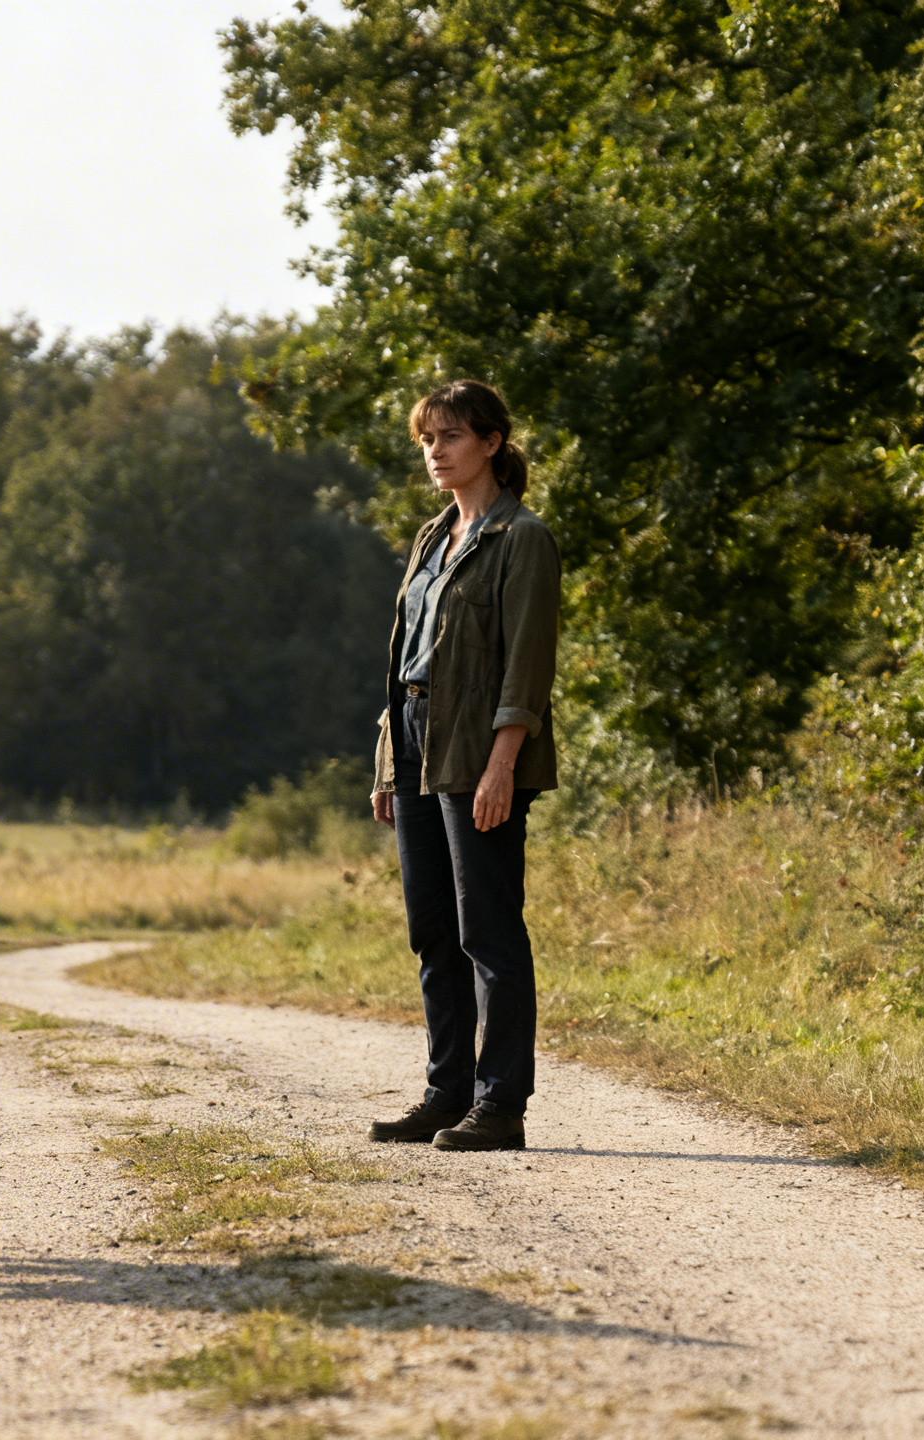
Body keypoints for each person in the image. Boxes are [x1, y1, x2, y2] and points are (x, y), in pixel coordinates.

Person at [364, 379, 559, 1152]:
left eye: (449, 437)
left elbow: (526, 666)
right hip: (416, 738)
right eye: (427, 439)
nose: (434, 452)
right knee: (433, 933)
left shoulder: (522, 537)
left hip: (480, 747)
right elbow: (407, 655)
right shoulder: (432, 535)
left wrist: (502, 764)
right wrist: (389, 761)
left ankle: (500, 1104)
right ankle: (445, 1094)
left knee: (488, 931)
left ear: (491, 443)